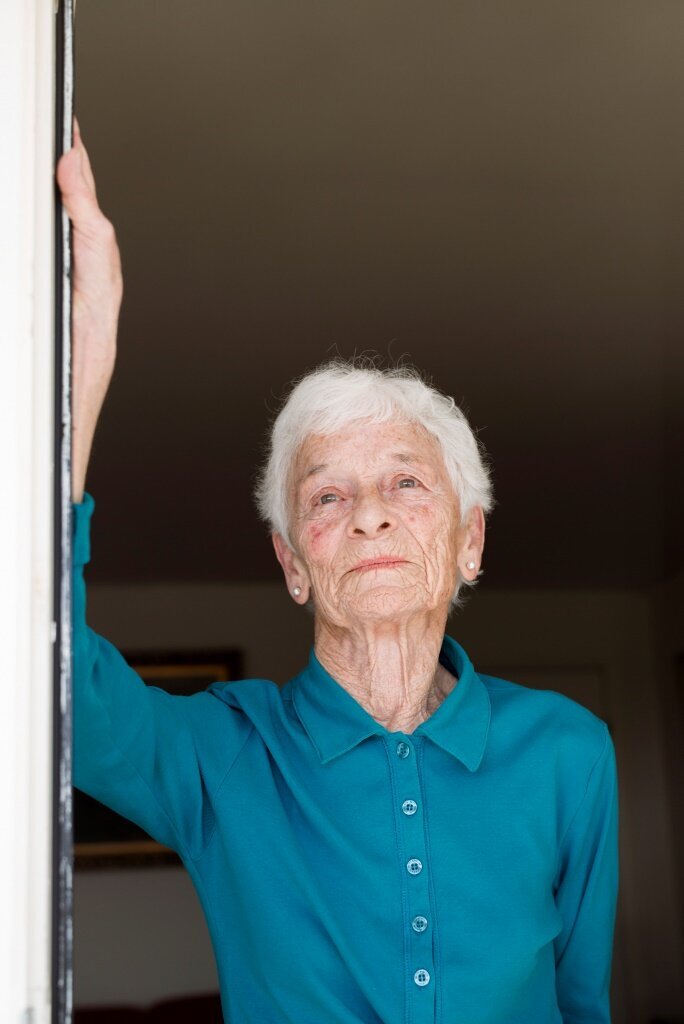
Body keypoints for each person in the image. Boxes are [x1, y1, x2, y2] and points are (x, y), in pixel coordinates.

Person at [57, 124, 619, 1024]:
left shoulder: (569, 752)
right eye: (327, 497)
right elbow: (49, 680)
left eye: (406, 482)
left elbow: (581, 1002)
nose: (369, 513)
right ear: (293, 563)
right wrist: (82, 366)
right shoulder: (229, 754)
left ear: (471, 542)